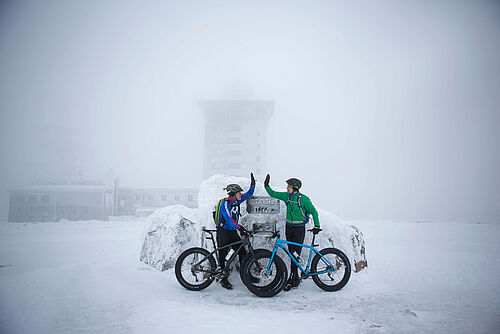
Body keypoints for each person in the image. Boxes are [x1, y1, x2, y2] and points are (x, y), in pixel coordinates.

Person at [264, 174, 320, 291]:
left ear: (295, 188)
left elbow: (314, 212)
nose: (286, 188)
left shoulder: (303, 199)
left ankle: (294, 278)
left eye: (288, 186)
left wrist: (317, 225)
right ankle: (295, 277)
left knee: (295, 253)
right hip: (289, 227)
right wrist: (266, 185)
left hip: (299, 229)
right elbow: (273, 194)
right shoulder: (287, 196)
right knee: (291, 253)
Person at [215, 173, 256, 290]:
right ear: (233, 194)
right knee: (222, 255)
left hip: (232, 231)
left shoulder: (236, 201)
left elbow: (249, 194)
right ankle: (223, 279)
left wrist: (253, 184)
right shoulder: (225, 203)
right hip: (223, 231)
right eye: (239, 193)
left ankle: (247, 275)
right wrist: (240, 227)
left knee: (242, 252)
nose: (241, 194)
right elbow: (228, 219)